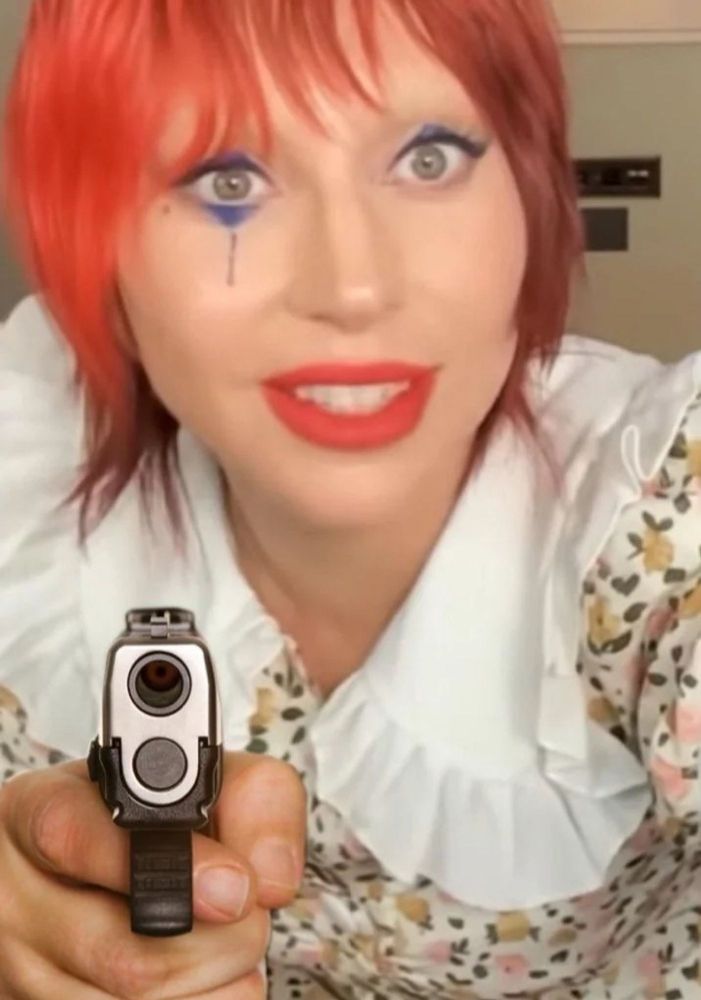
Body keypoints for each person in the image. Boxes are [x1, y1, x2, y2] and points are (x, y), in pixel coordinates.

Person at [1, 0, 700, 997]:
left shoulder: (658, 513)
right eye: (227, 178)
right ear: (97, 248)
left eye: (428, 160)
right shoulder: (31, 502)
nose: (352, 287)